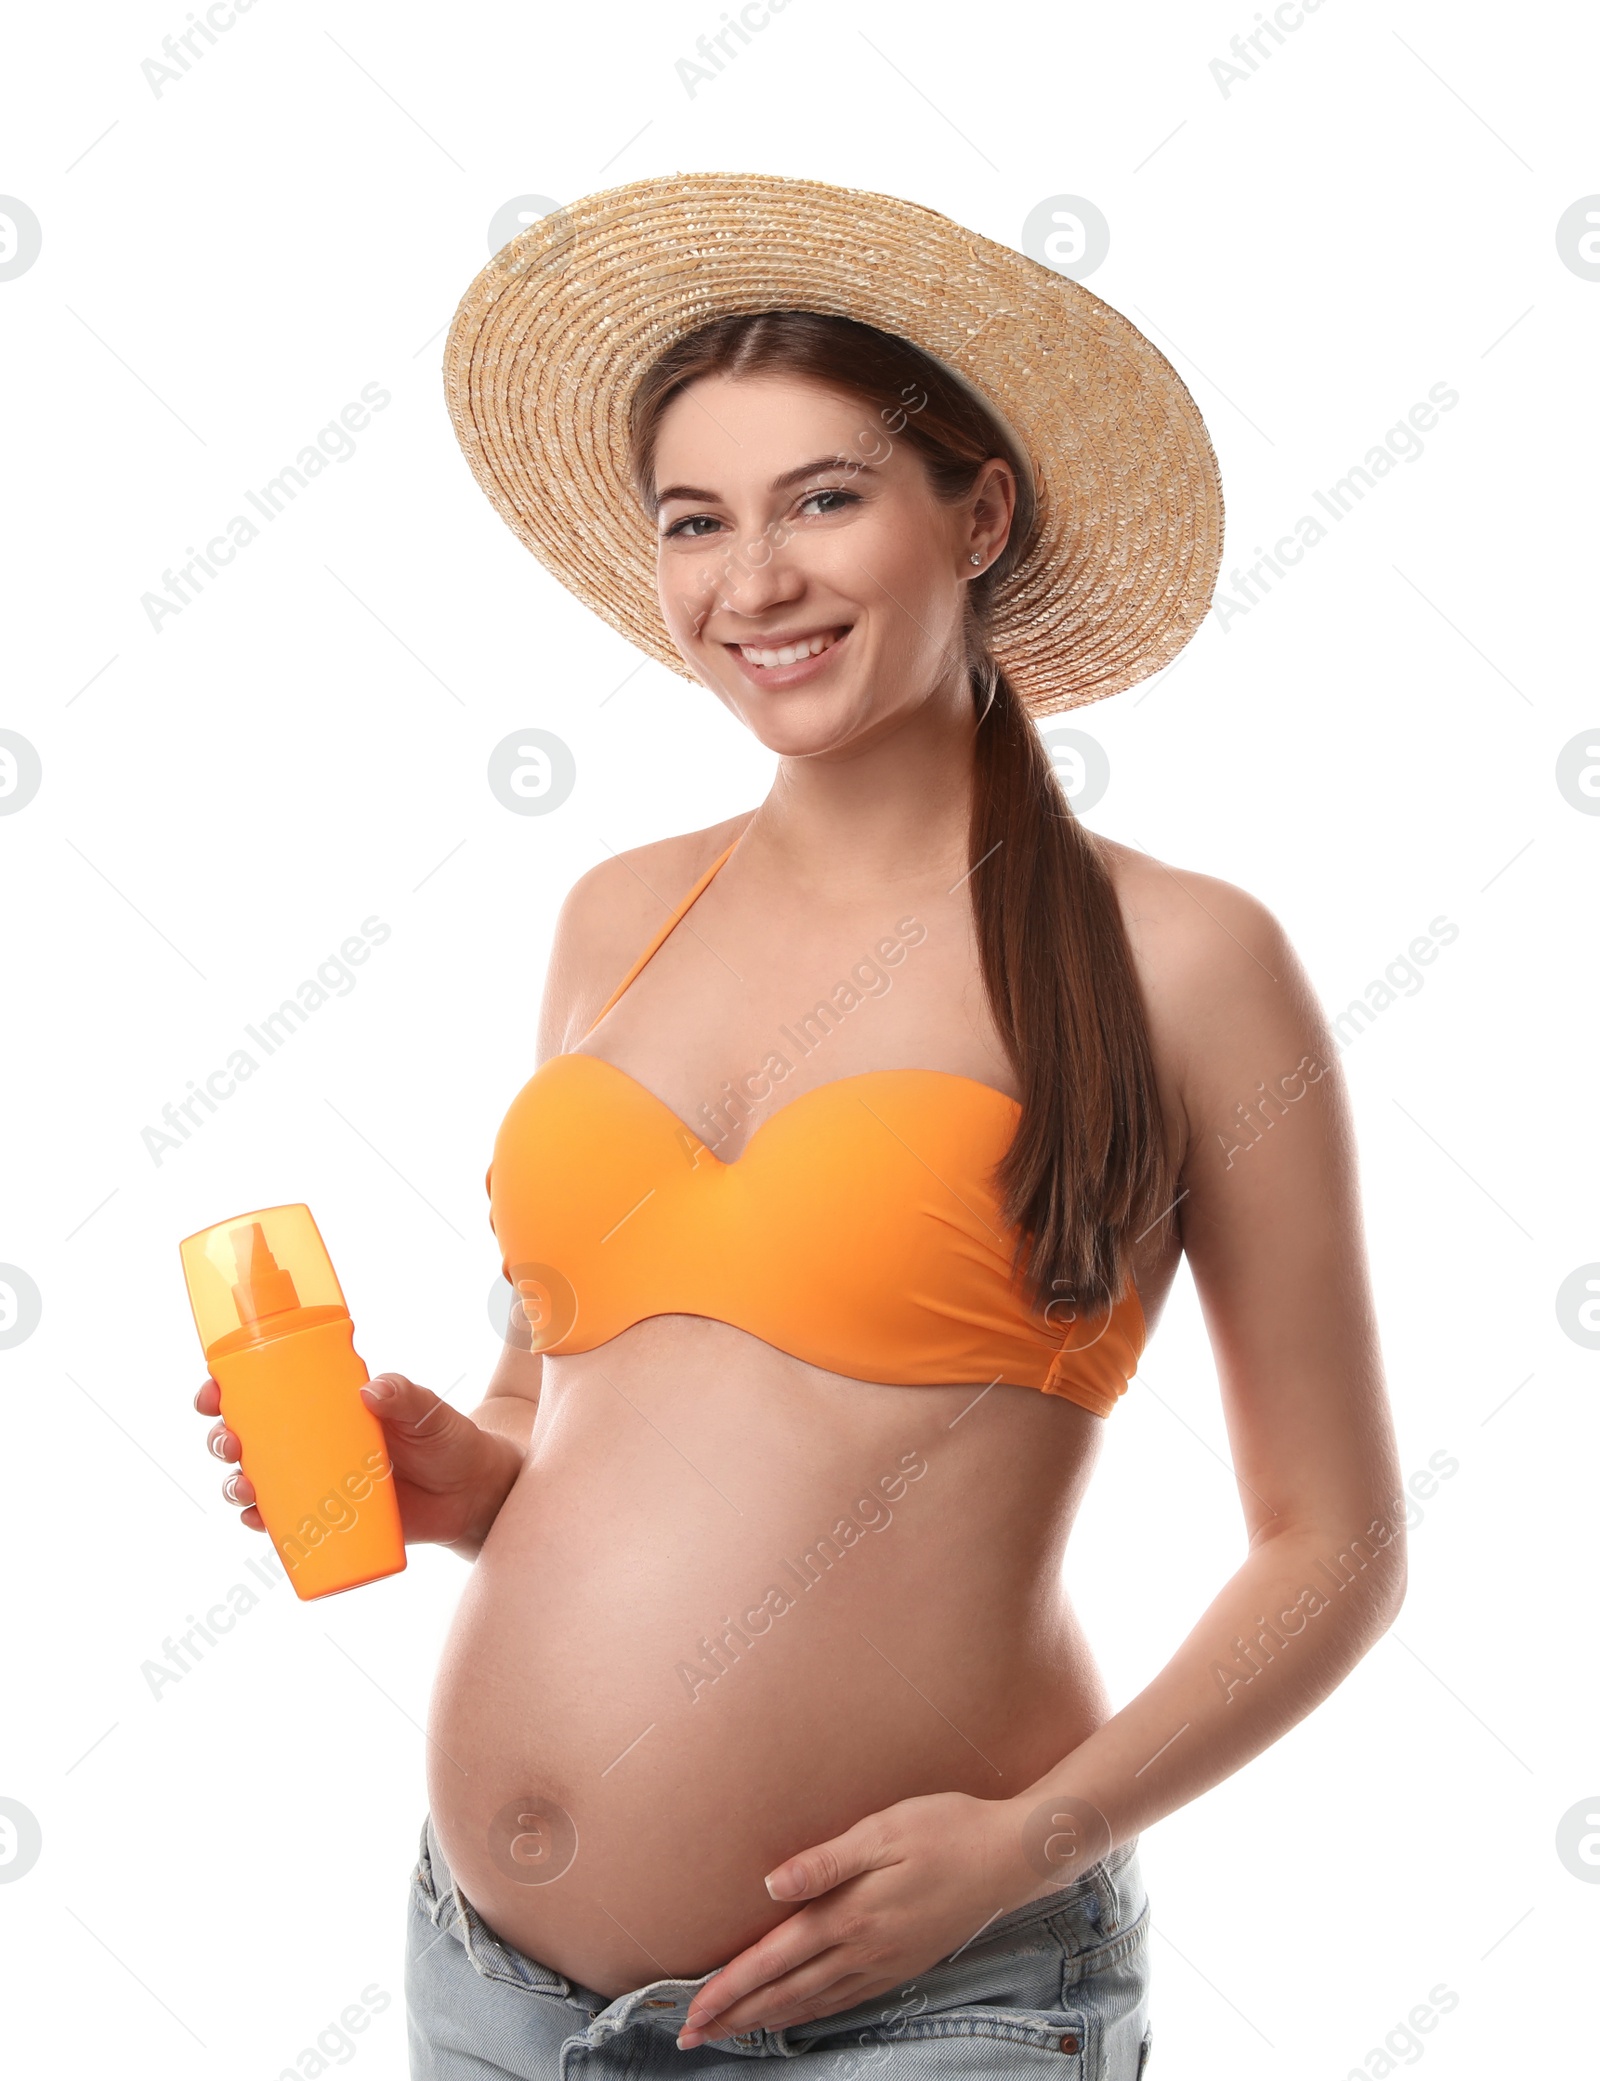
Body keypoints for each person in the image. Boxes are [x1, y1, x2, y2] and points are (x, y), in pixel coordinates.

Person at [195, 174, 1405, 2077]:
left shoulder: (1181, 957)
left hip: (932, 2004)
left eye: (823, 499)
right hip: (485, 1977)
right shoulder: (617, 913)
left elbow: (1331, 1544)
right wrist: (457, 1474)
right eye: (698, 521)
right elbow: (559, 1404)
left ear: (977, 513)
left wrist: (1032, 1840)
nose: (751, 582)